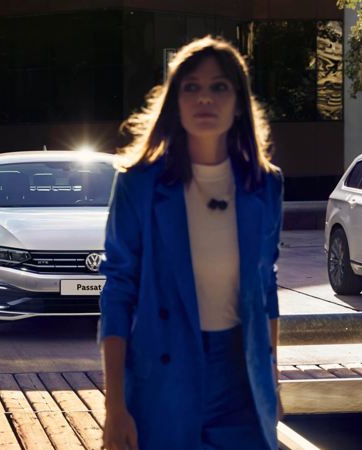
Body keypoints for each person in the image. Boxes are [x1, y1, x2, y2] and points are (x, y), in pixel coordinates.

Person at [98, 35, 283, 450]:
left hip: (242, 381)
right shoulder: (139, 185)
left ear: (238, 103)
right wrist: (115, 408)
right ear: (175, 103)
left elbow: (265, 287)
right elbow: (118, 292)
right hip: (163, 378)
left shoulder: (264, 185)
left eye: (219, 86)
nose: (205, 98)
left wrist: (270, 377)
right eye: (192, 87)